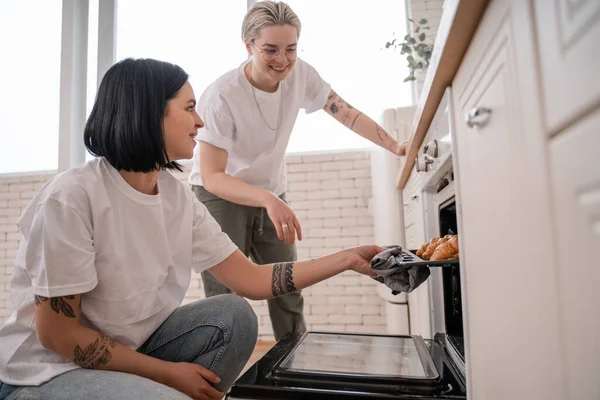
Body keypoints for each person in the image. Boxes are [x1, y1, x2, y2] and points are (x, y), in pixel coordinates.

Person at [0, 58, 385, 400]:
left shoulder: (176, 197)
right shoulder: (71, 198)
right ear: (149, 114)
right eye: (189, 108)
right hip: (46, 372)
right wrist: (168, 375)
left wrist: (347, 260)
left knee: (234, 315)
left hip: (128, 350)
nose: (201, 121)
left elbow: (249, 279)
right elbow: (57, 334)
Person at [189, 0, 406, 342]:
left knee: (288, 287)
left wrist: (395, 146)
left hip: (271, 194)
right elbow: (213, 176)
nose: (282, 60)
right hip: (220, 196)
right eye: (270, 49)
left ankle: (292, 366)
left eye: (291, 48)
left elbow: (345, 112)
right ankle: (218, 379)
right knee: (225, 296)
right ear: (248, 46)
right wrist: (268, 199)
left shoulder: (301, 73)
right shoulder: (222, 96)